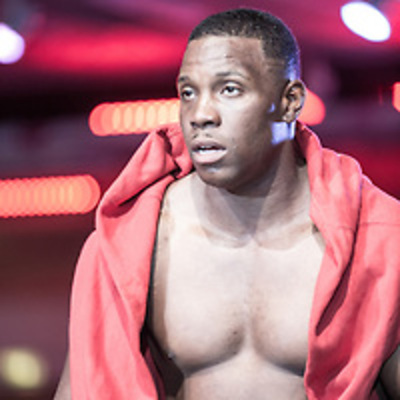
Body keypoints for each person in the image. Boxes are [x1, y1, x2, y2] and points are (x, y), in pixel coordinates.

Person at [54, 8, 400, 400]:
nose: (200, 115)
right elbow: (83, 388)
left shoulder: (378, 243)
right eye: (188, 93)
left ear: (290, 102)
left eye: (230, 89)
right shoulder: (129, 248)